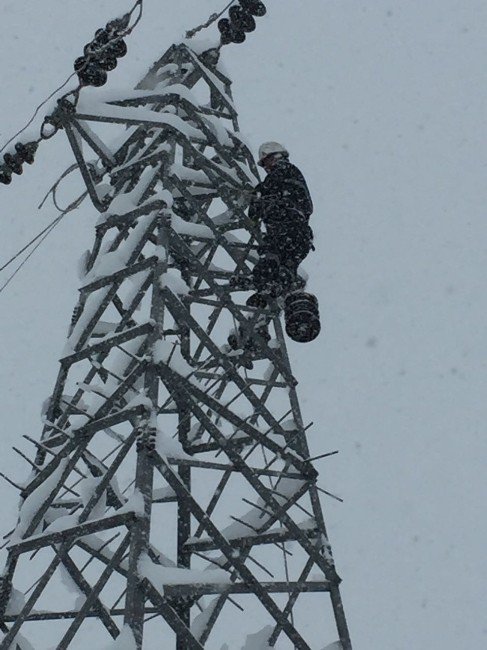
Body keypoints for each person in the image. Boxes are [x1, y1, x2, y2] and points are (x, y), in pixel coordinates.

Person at [248, 142, 314, 302]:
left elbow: (269, 189)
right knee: (277, 265)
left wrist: (257, 195)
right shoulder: (288, 180)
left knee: (277, 262)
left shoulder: (285, 171)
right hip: (294, 236)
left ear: (276, 157)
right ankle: (266, 288)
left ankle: (269, 285)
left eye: (266, 163)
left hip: (289, 232)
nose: (266, 168)